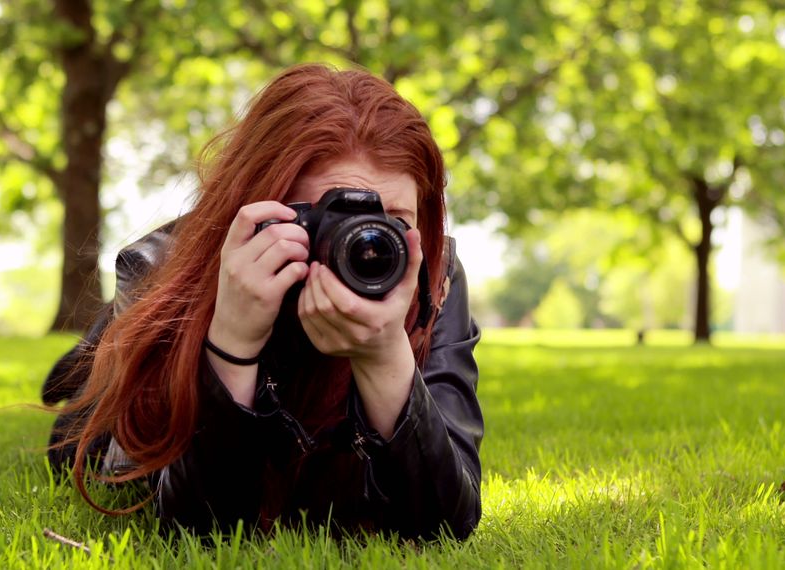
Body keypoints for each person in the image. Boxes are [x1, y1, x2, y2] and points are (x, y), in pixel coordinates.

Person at [42, 63, 484, 540]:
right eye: (326, 217)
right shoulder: (163, 271)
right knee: (85, 410)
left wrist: (384, 357)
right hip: (153, 336)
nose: (366, 244)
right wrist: (233, 340)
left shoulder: (428, 271)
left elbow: (446, 524)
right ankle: (90, 355)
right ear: (258, 208)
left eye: (392, 220)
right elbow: (201, 533)